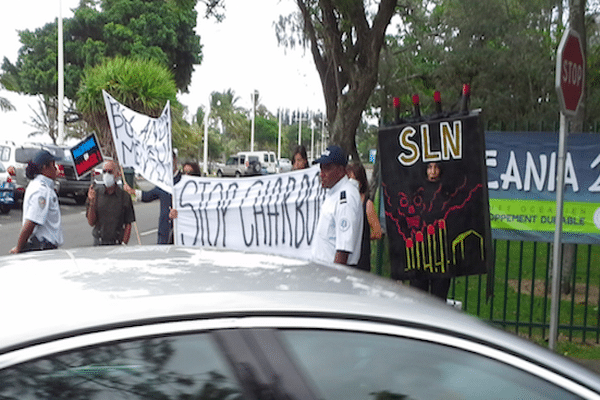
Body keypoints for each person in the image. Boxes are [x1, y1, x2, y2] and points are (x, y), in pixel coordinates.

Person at [312, 145, 363, 266]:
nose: (322, 174)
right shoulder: (334, 193)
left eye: (327, 169)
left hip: (332, 275)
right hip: (323, 272)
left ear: (340, 170)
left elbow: (343, 249)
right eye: (321, 169)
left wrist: (334, 280)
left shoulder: (345, 199)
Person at [409, 161, 452, 300]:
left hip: (441, 254)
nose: (433, 172)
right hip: (420, 252)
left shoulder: (447, 191)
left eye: (436, 167)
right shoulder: (417, 192)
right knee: (417, 298)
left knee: (438, 299)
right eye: (429, 167)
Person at [10, 150, 63, 253]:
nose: (56, 168)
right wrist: (19, 248)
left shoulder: (39, 185)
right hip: (43, 247)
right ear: (44, 168)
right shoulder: (41, 190)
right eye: (53, 165)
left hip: (43, 246)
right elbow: (31, 222)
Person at [124, 152, 180, 244]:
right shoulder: (163, 182)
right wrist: (132, 191)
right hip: (164, 233)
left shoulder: (184, 181)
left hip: (180, 232)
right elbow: (148, 196)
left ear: (175, 160)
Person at [86, 160, 136, 246]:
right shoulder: (96, 194)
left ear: (117, 174)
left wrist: (124, 243)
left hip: (116, 243)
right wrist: (92, 202)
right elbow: (91, 222)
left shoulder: (124, 197)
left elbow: (128, 223)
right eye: (104, 172)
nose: (107, 175)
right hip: (99, 242)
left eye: (110, 172)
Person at [346, 163, 383, 272]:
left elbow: (377, 232)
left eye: (353, 179)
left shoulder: (367, 204)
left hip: (361, 259)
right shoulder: (344, 202)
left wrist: (362, 237)